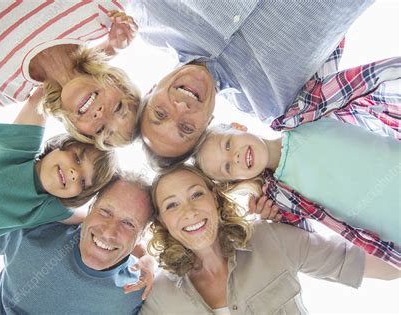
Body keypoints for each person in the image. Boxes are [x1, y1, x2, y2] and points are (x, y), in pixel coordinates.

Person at [194, 56, 401, 267]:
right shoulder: (280, 197)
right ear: (236, 179)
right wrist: (271, 219)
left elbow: (323, 52)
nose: (235, 157)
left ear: (238, 127)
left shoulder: (303, 114)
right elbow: (308, 245)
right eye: (228, 167)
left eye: (228, 145)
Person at [130, 0, 374, 163]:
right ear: (209, 123)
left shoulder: (147, 15)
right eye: (186, 127)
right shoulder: (277, 106)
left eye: (160, 113)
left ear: (151, 90)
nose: (180, 109)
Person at [140, 165, 400, 314]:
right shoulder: (160, 296)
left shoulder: (270, 239)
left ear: (215, 197)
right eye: (172, 205)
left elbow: (385, 267)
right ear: (162, 221)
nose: (189, 211)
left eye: (196, 195)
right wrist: (140, 259)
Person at [0, 88, 117, 261]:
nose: (75, 173)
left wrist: (143, 254)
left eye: (83, 182)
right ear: (59, 147)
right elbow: (44, 93)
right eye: (76, 158)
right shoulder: (20, 145)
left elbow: (96, 220)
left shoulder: (43, 207)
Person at [0, 1, 139, 148]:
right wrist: (110, 47)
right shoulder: (103, 10)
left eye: (101, 130)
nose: (101, 114)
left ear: (77, 128)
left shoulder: (5, 88)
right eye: (119, 108)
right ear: (117, 82)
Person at [0, 172, 156, 314]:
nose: (108, 232)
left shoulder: (139, 290)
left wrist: (148, 256)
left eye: (128, 223)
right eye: (105, 212)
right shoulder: (35, 234)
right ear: (90, 208)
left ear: (143, 234)